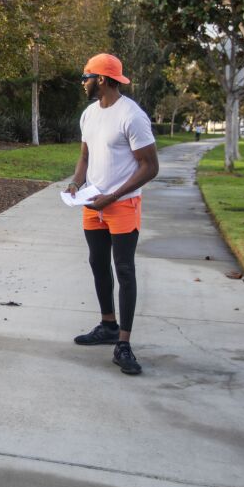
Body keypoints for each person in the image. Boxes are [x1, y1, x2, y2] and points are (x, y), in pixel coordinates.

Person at [65, 53, 159, 376]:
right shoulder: (89, 115)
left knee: (124, 269)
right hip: (94, 204)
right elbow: (84, 156)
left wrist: (114, 196)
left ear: (101, 80)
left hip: (121, 204)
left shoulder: (131, 116)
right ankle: (108, 324)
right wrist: (77, 182)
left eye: (85, 77)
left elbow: (151, 166)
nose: (83, 83)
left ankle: (124, 343)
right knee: (97, 264)